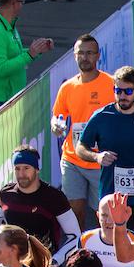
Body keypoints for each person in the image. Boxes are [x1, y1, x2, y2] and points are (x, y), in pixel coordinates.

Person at [75, 66, 134, 233]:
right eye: (118, 91)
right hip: (112, 195)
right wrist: (96, 157)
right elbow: (80, 147)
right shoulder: (101, 117)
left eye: (128, 91)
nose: (122, 96)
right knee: (111, 243)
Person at [51, 34, 116, 222]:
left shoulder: (111, 85)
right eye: (81, 53)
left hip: (100, 160)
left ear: (98, 56)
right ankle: (80, 249)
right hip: (72, 159)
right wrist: (56, 125)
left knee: (103, 215)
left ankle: (103, 248)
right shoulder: (67, 87)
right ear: (74, 55)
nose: (85, 57)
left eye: (89, 53)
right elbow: (58, 115)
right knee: (74, 211)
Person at [0, 145, 81, 267]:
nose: (21, 174)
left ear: (37, 169)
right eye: (17, 169)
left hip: (43, 266)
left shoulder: (54, 197)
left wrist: (54, 261)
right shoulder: (5, 194)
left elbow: (75, 236)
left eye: (26, 168)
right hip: (11, 264)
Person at [0, 0, 53, 116]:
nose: (22, 5)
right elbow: (0, 68)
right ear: (14, 4)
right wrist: (29, 54)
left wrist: (37, 50)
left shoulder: (7, 26)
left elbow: (15, 56)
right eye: (21, 2)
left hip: (8, 99)